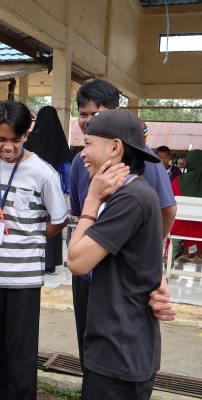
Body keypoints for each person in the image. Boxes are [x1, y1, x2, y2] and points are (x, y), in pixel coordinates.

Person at [69, 79, 177, 368]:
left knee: (119, 352)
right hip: (89, 274)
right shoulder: (83, 161)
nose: (88, 121)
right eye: (83, 114)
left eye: (97, 114)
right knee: (90, 347)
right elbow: (83, 216)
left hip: (124, 280)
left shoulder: (143, 162)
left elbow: (166, 212)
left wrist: (151, 262)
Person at [0, 100, 68, 399]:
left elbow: (60, 219)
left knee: (20, 353)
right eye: (1, 139)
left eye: (17, 139)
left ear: (27, 134)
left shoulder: (44, 173)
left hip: (24, 280)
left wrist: (32, 237)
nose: (8, 147)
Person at [24, 105, 71, 274]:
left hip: (32, 189)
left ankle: (32, 258)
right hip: (53, 187)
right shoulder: (60, 139)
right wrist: (66, 191)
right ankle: (49, 263)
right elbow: (66, 168)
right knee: (54, 219)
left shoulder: (31, 139)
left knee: (34, 221)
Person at [170, 149, 202, 262]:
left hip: (179, 228)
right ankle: (199, 252)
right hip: (200, 229)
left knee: (183, 220)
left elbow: (170, 204)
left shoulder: (177, 181)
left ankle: (185, 251)